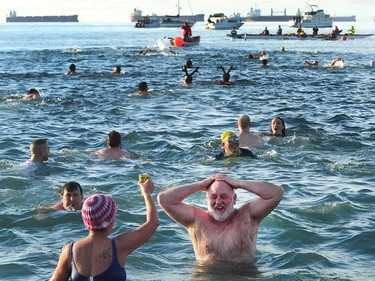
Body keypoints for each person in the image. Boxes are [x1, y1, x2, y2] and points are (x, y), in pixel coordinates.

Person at [157, 173, 284, 263]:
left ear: (234, 199)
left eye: (223, 196)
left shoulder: (248, 216)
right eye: (213, 197)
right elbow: (164, 199)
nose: (218, 202)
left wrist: (239, 183)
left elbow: (276, 193)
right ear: (207, 199)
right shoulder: (196, 220)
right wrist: (200, 185)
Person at [50, 177, 160, 280]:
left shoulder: (69, 251)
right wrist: (146, 193)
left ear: (85, 220)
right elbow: (153, 222)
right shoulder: (119, 246)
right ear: (111, 220)